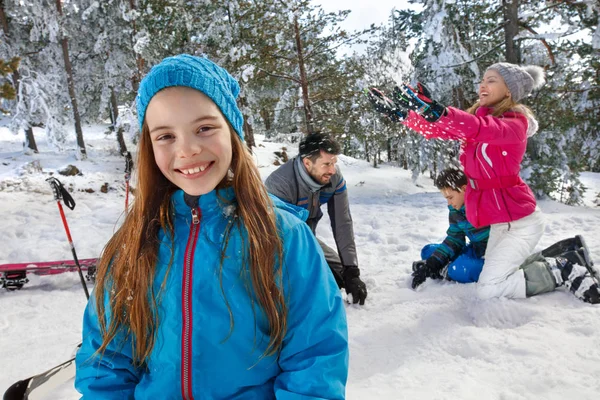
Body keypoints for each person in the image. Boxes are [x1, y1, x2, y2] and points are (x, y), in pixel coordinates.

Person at [74, 54, 349, 399]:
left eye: (204, 128)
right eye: (165, 136)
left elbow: (314, 359)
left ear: (232, 131)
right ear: (149, 145)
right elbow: (107, 361)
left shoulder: (283, 236)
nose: (187, 149)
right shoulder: (133, 244)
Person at [368, 62, 600, 304]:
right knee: (501, 272)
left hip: (520, 221)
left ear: (508, 90)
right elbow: (441, 130)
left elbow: (478, 128)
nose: (483, 85)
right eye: (482, 80)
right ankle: (567, 250)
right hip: (500, 222)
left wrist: (436, 110)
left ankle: (565, 269)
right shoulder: (477, 123)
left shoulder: (514, 124)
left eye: (491, 80)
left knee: (489, 289)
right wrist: (403, 115)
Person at [265, 132, 368, 305]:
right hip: (280, 245)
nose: (332, 170)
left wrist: (352, 270)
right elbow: (278, 236)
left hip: (308, 238)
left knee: (340, 275)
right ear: (307, 162)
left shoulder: (334, 178)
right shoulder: (279, 185)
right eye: (327, 164)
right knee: (312, 285)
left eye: (334, 162)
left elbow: (342, 223)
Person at [411, 168, 490, 289]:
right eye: (446, 198)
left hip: (492, 255)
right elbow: (455, 239)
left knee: (461, 268)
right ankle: (445, 267)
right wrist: (432, 264)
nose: (449, 203)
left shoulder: (485, 203)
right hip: (474, 249)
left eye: (451, 197)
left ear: (464, 189)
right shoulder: (455, 210)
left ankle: (448, 270)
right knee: (427, 251)